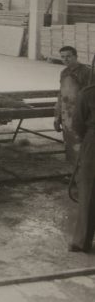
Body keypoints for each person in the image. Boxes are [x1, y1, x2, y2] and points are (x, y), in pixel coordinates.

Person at [54, 46, 93, 164]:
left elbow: (90, 96)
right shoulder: (64, 72)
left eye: (68, 56)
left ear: (75, 56)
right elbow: (61, 95)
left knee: (82, 146)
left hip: (81, 115)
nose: (65, 59)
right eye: (63, 57)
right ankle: (73, 175)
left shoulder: (87, 72)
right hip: (67, 115)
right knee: (70, 146)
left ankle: (83, 177)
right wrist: (57, 116)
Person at [70, 82, 95, 252]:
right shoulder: (87, 94)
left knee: (88, 191)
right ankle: (82, 241)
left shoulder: (87, 94)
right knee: (87, 190)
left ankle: (82, 241)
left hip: (92, 142)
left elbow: (77, 124)